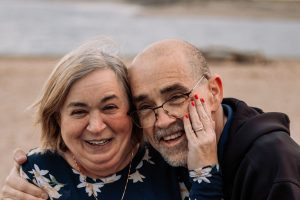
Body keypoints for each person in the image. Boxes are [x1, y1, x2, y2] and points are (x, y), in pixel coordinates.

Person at [6, 38, 300, 199]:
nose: (162, 120)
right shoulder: (35, 175)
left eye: (175, 97)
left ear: (214, 92)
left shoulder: (171, 167)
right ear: (57, 119)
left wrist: (205, 173)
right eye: (146, 106)